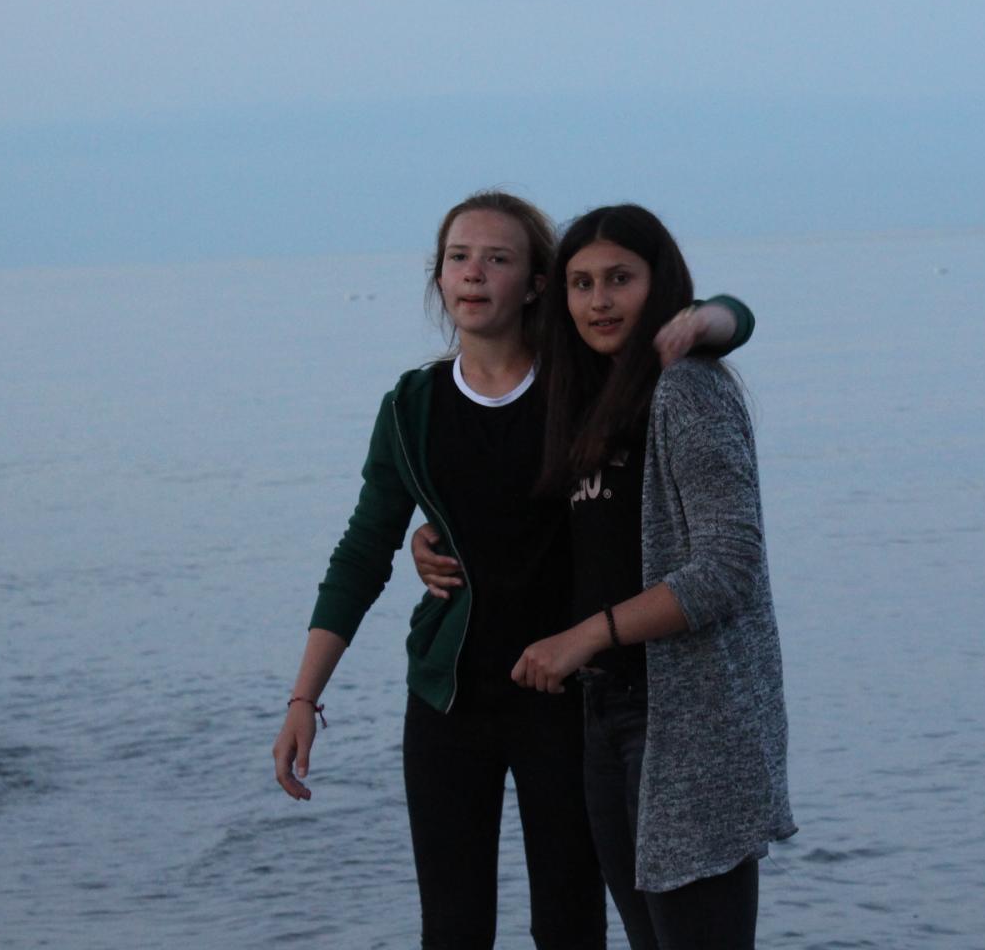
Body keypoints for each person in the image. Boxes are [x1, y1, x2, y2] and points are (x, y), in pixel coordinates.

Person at [271, 191, 754, 950]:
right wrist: (305, 696)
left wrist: (703, 320)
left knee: (568, 924)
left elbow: (730, 320)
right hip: (449, 694)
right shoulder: (411, 406)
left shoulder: (585, 384)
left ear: (534, 284)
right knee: (452, 928)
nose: (474, 273)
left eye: (497, 259)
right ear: (438, 277)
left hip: (566, 695)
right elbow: (361, 552)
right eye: (458, 258)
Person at [486, 203, 792, 950]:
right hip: (605, 713)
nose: (599, 300)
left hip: (684, 717)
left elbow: (727, 566)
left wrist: (585, 636)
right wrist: (430, 535)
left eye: (620, 279)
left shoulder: (686, 390)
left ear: (661, 286)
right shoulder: (584, 399)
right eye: (582, 283)